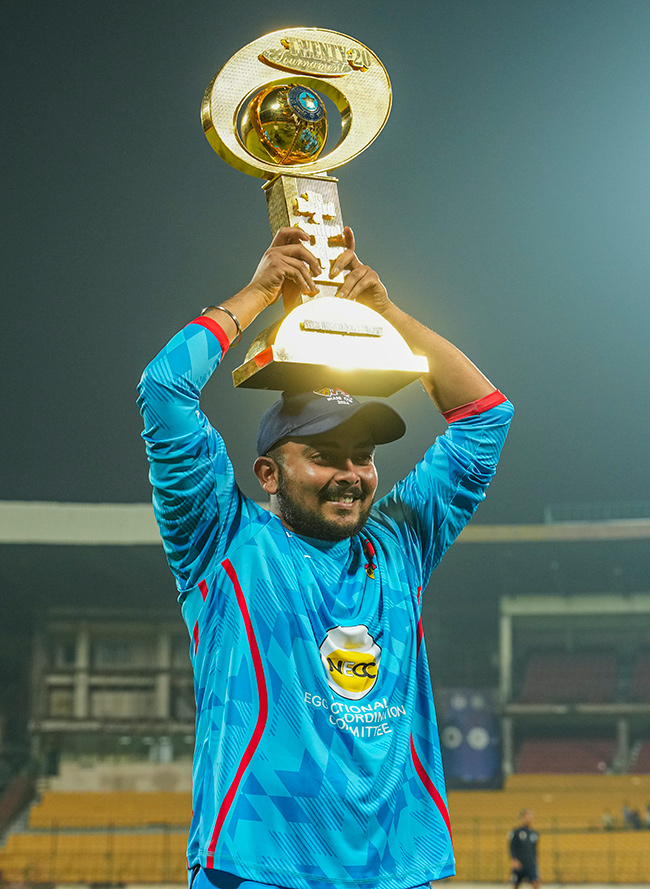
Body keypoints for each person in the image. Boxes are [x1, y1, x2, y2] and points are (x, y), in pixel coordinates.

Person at [138, 227, 514, 889]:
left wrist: (387, 318)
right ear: (268, 472)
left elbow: (486, 415)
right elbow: (165, 389)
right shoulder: (222, 541)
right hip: (258, 869)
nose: (350, 473)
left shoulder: (400, 544)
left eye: (361, 456)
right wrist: (259, 292)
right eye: (322, 455)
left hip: (397, 870)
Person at [509, 808, 540, 888]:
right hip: (520, 864)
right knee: (515, 885)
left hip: (531, 864)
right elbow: (512, 847)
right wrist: (514, 860)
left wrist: (536, 862)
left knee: (535, 884)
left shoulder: (534, 833)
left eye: (530, 816)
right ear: (522, 818)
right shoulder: (516, 832)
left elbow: (534, 850)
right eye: (527, 816)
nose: (529, 818)